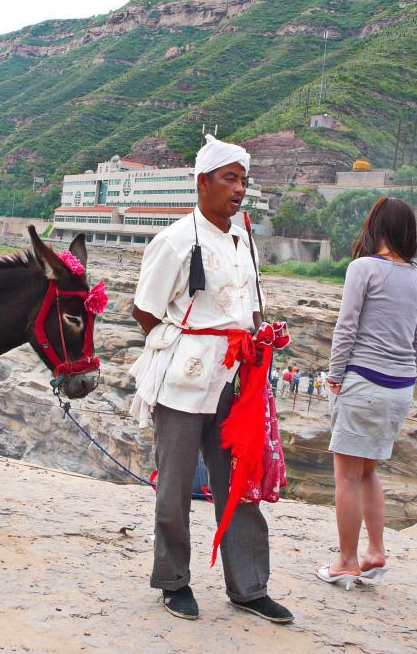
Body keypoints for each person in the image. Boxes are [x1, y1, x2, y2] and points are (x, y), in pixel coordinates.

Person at [129, 135, 292, 624]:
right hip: (183, 380)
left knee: (238, 482)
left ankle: (249, 587)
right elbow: (145, 311)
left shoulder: (244, 241)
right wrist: (190, 345)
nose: (238, 189)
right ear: (202, 182)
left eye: (243, 180)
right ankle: (174, 581)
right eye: (229, 178)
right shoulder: (175, 240)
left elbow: (249, 307)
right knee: (175, 485)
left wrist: (256, 341)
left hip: (235, 384)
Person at [318, 197, 417, 589]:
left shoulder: (363, 268)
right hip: (399, 388)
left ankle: (346, 561)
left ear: (376, 227)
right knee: (368, 472)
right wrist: (406, 374)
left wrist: (334, 375)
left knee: (346, 476)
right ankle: (375, 551)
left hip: (363, 380)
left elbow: (345, 328)